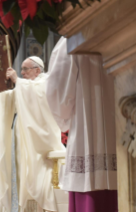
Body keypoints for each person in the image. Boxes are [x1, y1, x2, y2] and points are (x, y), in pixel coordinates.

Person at [46, 37, 117, 212]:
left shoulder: (72, 38)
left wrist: (64, 119)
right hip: (122, 129)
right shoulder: (124, 22)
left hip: (88, 133)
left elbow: (57, 92)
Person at [0, 56, 65, 212]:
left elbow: (36, 94)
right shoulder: (24, 87)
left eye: (25, 69)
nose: (21, 73)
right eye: (21, 69)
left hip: (39, 146)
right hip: (21, 139)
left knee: (37, 180)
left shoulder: (45, 82)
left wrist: (17, 81)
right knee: (20, 173)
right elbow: (7, 99)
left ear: (37, 70)